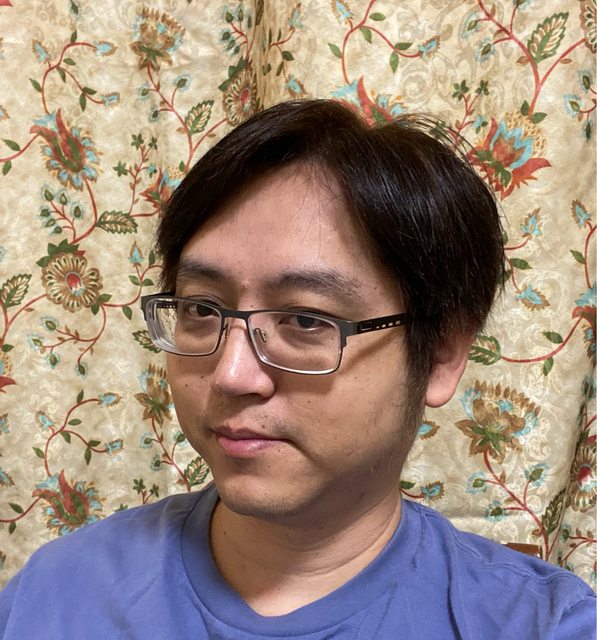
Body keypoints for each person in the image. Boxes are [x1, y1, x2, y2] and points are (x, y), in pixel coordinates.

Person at [0, 99, 594, 639]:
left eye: (307, 321)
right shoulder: (56, 594)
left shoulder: (543, 624)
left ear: (440, 354)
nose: (232, 375)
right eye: (202, 310)